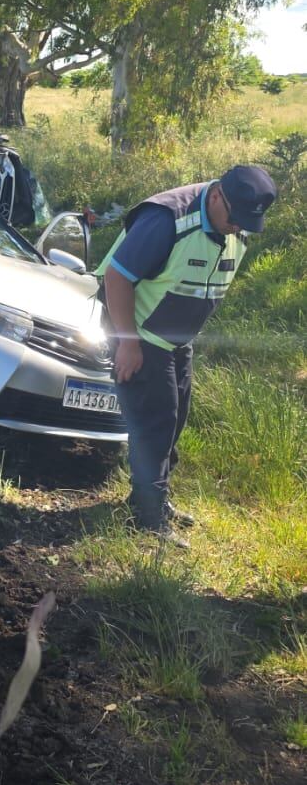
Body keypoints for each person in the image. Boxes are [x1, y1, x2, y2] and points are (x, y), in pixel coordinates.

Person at [96, 165, 277, 545]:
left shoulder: (234, 223)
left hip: (176, 339)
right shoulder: (167, 220)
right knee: (156, 423)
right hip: (140, 331)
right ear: (215, 197)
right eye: (234, 219)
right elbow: (116, 278)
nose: (237, 228)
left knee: (175, 420)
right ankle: (147, 519)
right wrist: (128, 342)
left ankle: (156, 500)